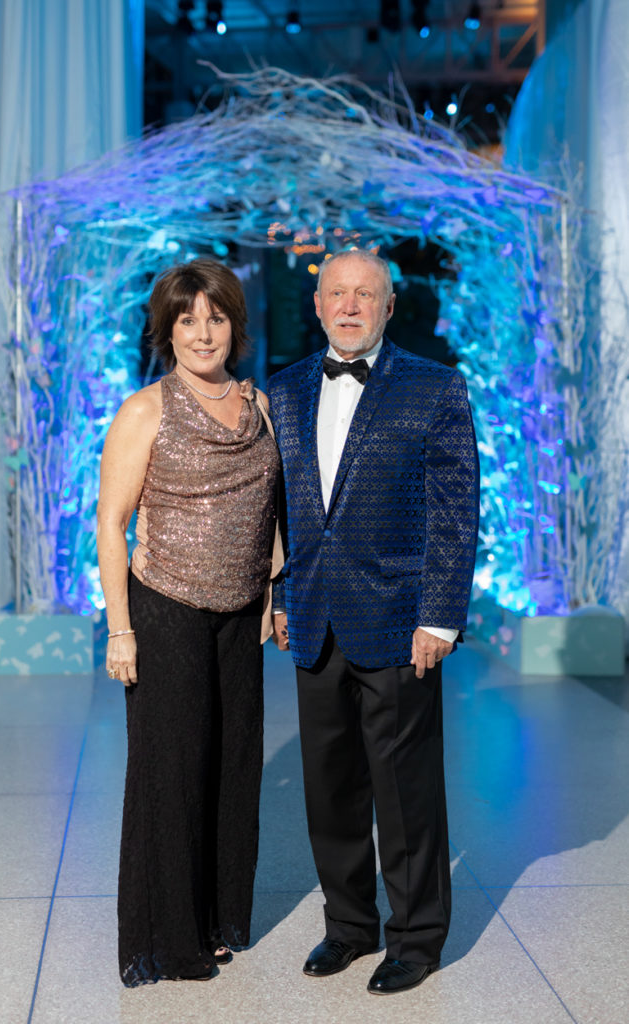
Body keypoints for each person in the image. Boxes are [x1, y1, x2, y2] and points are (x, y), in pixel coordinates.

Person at [268, 249, 479, 996]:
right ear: (317, 303)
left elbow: (456, 515)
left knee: (406, 789)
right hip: (316, 617)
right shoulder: (285, 390)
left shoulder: (436, 386)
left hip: (400, 622)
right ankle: (348, 925)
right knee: (330, 789)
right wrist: (282, 594)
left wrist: (442, 617)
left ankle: (417, 939)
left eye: (367, 294)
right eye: (338, 293)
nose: (351, 305)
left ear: (390, 306)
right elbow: (284, 511)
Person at [97, 258, 281, 986]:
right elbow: (112, 523)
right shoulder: (147, 410)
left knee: (233, 769)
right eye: (186, 320)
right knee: (171, 776)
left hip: (240, 618)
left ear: (235, 325)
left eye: (216, 317)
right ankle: (168, 941)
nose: (203, 332)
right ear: (166, 331)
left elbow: (269, 508)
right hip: (165, 607)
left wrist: (272, 590)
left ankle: (215, 918)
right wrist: (120, 628)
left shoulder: (260, 406)